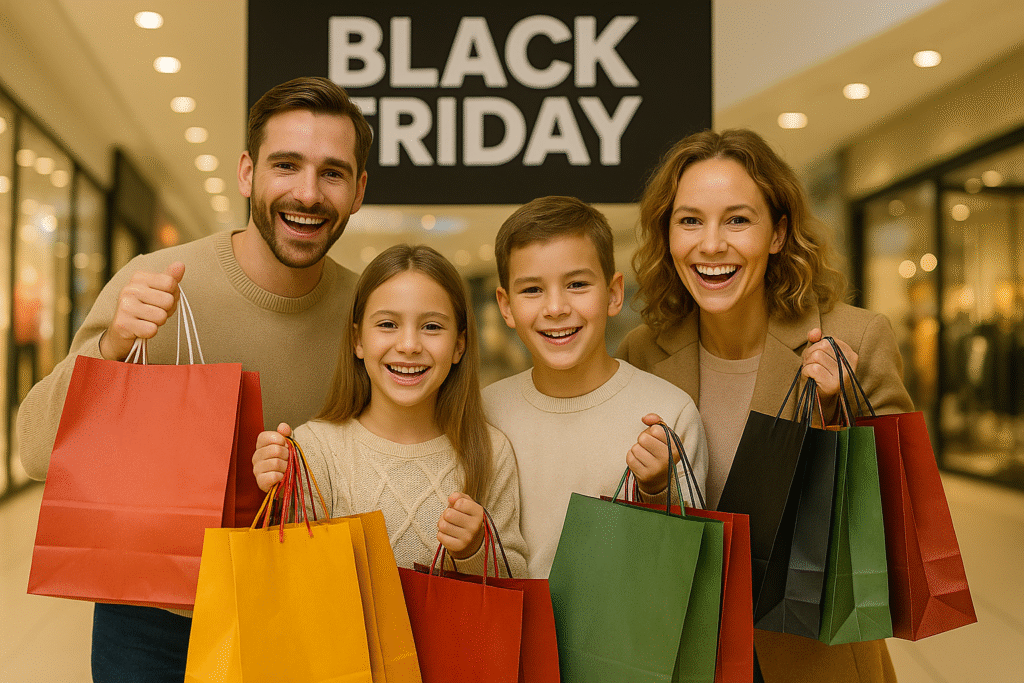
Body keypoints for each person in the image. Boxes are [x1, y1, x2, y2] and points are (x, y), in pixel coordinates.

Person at [17, 76, 371, 681]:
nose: (308, 193)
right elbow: (34, 450)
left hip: (299, 604)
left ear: (360, 190)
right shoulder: (157, 282)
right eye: (286, 165)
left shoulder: (369, 314)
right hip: (153, 618)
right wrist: (112, 345)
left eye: (333, 173)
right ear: (247, 174)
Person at [617, 128, 913, 683]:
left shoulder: (855, 336)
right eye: (689, 220)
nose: (711, 244)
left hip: (813, 657)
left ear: (778, 233)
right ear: (668, 235)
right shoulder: (643, 352)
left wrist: (837, 414)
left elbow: (901, 515)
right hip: (688, 652)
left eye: (737, 219)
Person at [253, 244, 527, 576]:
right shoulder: (316, 449)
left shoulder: (490, 451)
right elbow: (291, 576)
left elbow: (516, 581)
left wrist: (474, 550)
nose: (409, 345)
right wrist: (273, 495)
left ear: (459, 345)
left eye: (432, 327)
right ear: (358, 340)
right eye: (387, 325)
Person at [482, 196, 709, 579]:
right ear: (505, 306)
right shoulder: (484, 411)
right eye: (532, 290)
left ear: (614, 293)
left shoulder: (668, 413)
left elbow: (685, 566)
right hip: (514, 635)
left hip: (625, 637)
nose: (555, 307)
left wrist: (656, 488)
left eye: (577, 284)